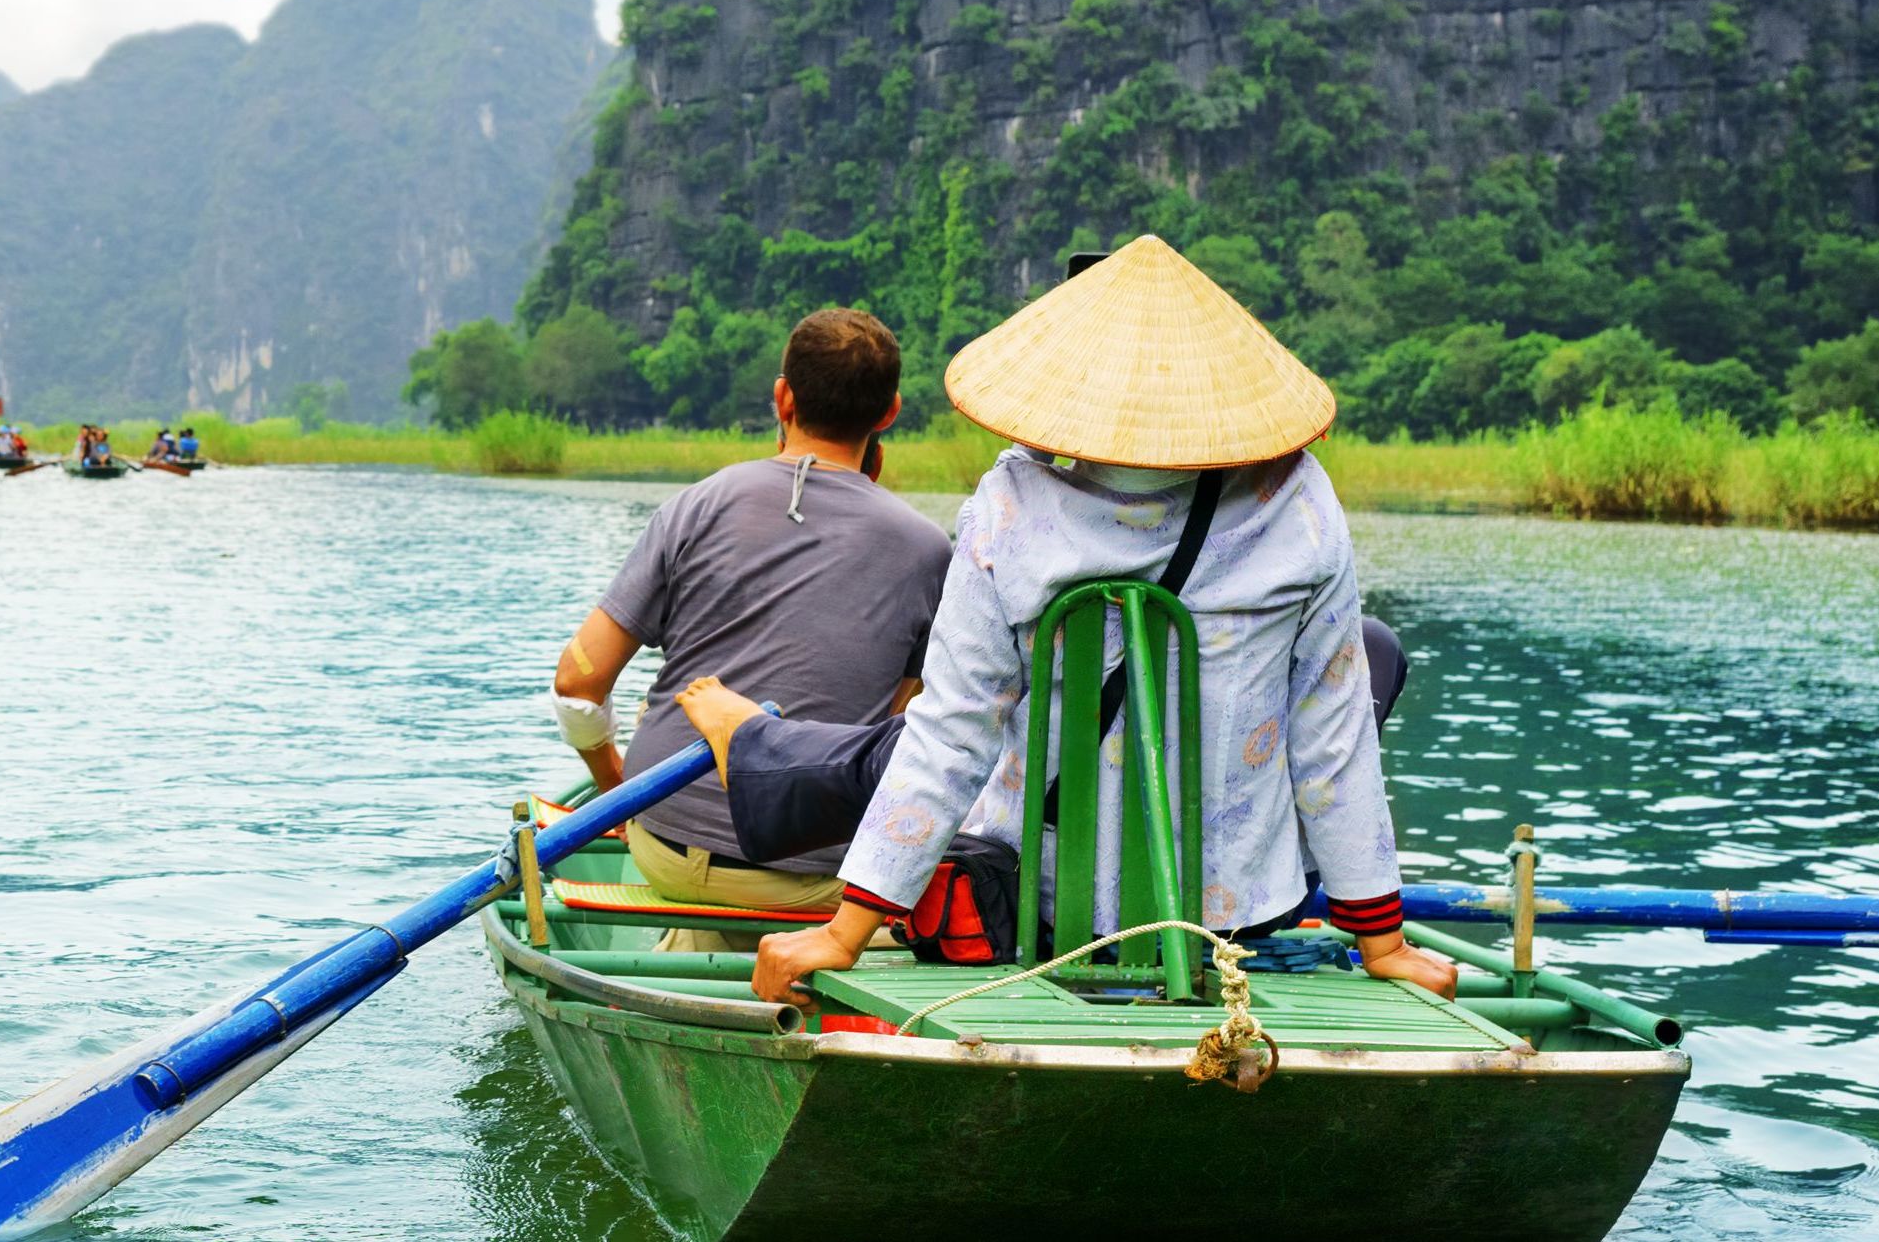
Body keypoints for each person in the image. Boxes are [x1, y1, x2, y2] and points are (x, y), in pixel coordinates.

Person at [746, 237, 1456, 1005]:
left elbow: (952, 731)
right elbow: (1333, 731)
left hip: (1046, 912)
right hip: (1234, 918)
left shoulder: (1012, 504)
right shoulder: (1299, 501)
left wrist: (843, 931)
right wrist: (1380, 940)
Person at [551, 308, 955, 935]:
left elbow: (577, 686)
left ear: (782, 398)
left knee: (646, 712)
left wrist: (620, 795)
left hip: (667, 850)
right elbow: (905, 723)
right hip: (823, 875)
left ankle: (690, 940)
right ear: (889, 413)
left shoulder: (697, 505)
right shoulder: (931, 550)